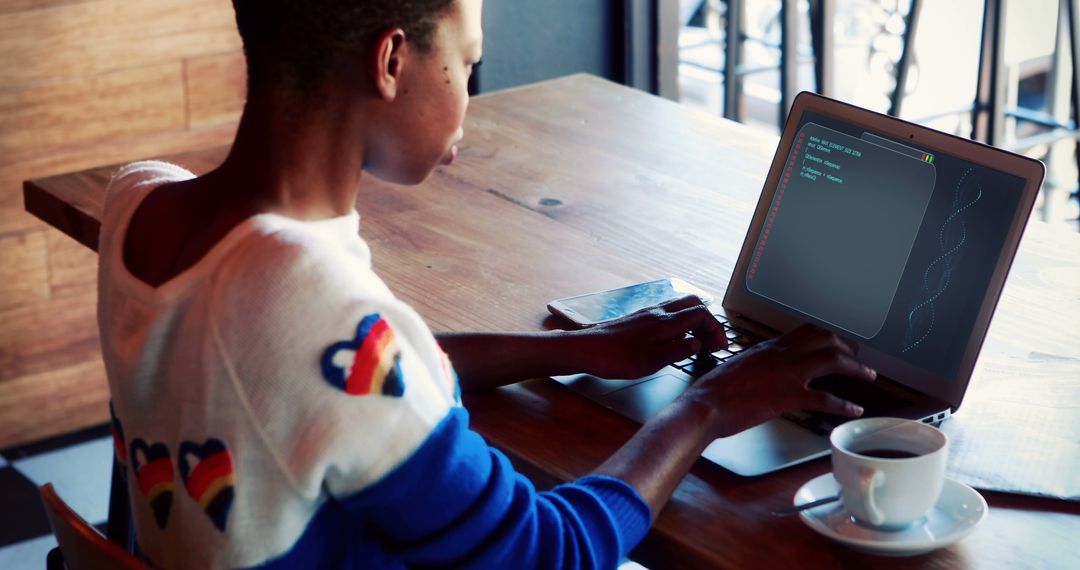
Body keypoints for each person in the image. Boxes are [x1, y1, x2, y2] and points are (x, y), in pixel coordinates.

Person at [98, 0, 876, 567]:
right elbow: (550, 554)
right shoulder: (305, 294)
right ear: (392, 61)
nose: (469, 91)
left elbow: (335, 382)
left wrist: (584, 349)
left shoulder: (139, 203)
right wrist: (709, 405)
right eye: (468, 63)